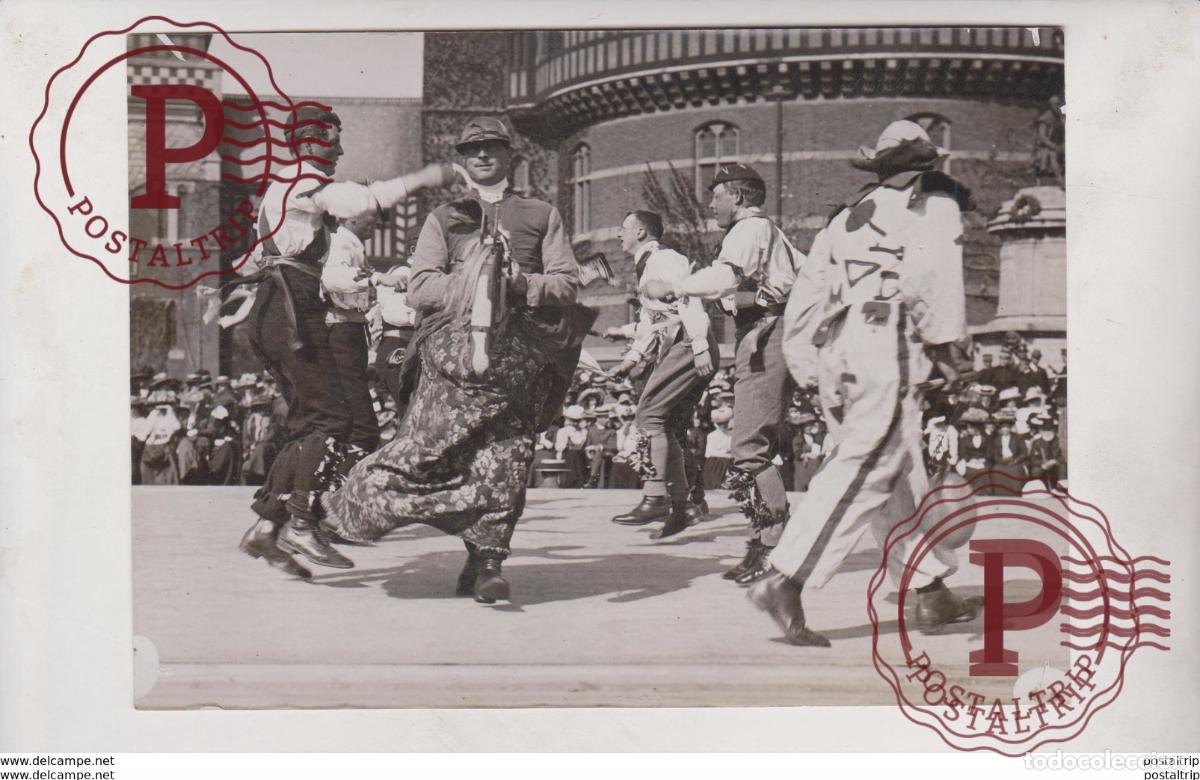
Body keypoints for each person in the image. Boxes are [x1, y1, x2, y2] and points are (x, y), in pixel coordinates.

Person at [321, 116, 590, 603]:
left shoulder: (539, 214)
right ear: (463, 161)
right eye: (472, 150)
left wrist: (518, 286)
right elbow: (421, 286)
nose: (482, 155)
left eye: (491, 147)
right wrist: (474, 286)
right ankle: (359, 507)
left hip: (517, 355)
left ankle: (488, 562)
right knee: (428, 445)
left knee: (506, 455)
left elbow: (567, 282)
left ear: (511, 156)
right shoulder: (442, 218)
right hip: (450, 352)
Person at [751, 119, 977, 646]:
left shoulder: (847, 218)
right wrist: (948, 350)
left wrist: (811, 368)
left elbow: (807, 298)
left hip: (840, 346)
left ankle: (929, 590)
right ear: (923, 170)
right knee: (871, 468)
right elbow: (937, 279)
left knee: (893, 471)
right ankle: (786, 577)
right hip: (890, 339)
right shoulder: (933, 207)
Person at [236, 105, 459, 580]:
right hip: (296, 309)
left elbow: (252, 259)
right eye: (333, 141)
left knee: (309, 420)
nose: (338, 151)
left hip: (275, 309)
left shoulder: (279, 191)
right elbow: (359, 201)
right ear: (311, 140)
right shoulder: (304, 181)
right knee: (334, 419)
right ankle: (299, 521)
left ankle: (266, 526)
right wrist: (423, 177)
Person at [670, 163, 803, 581]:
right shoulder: (766, 234)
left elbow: (725, 278)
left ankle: (772, 548)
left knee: (748, 448)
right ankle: (765, 542)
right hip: (765, 332)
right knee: (751, 447)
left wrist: (677, 286)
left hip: (767, 335)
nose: (711, 203)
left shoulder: (750, 230)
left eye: (717, 195)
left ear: (739, 198)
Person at [609, 210, 717, 538]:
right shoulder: (648, 264)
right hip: (683, 342)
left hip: (688, 342)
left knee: (649, 415)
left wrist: (698, 344)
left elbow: (688, 297)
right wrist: (631, 360)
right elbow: (653, 324)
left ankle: (656, 496)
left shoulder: (663, 259)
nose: (619, 235)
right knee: (666, 425)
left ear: (640, 231)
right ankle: (683, 505)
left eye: (623, 229)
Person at [1033, 95, 1065, 186]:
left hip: (1058, 145)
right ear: (1050, 105)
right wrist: (1052, 145)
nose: (1057, 106)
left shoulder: (1060, 118)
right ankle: (1060, 180)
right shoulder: (1045, 118)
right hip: (1045, 147)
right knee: (1052, 155)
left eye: (1059, 104)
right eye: (1055, 104)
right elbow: (1042, 137)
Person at [703, 405, 734, 489]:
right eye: (721, 424)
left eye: (725, 423)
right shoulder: (712, 436)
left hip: (730, 464)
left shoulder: (732, 435)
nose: (724, 426)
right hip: (716, 465)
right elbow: (708, 453)